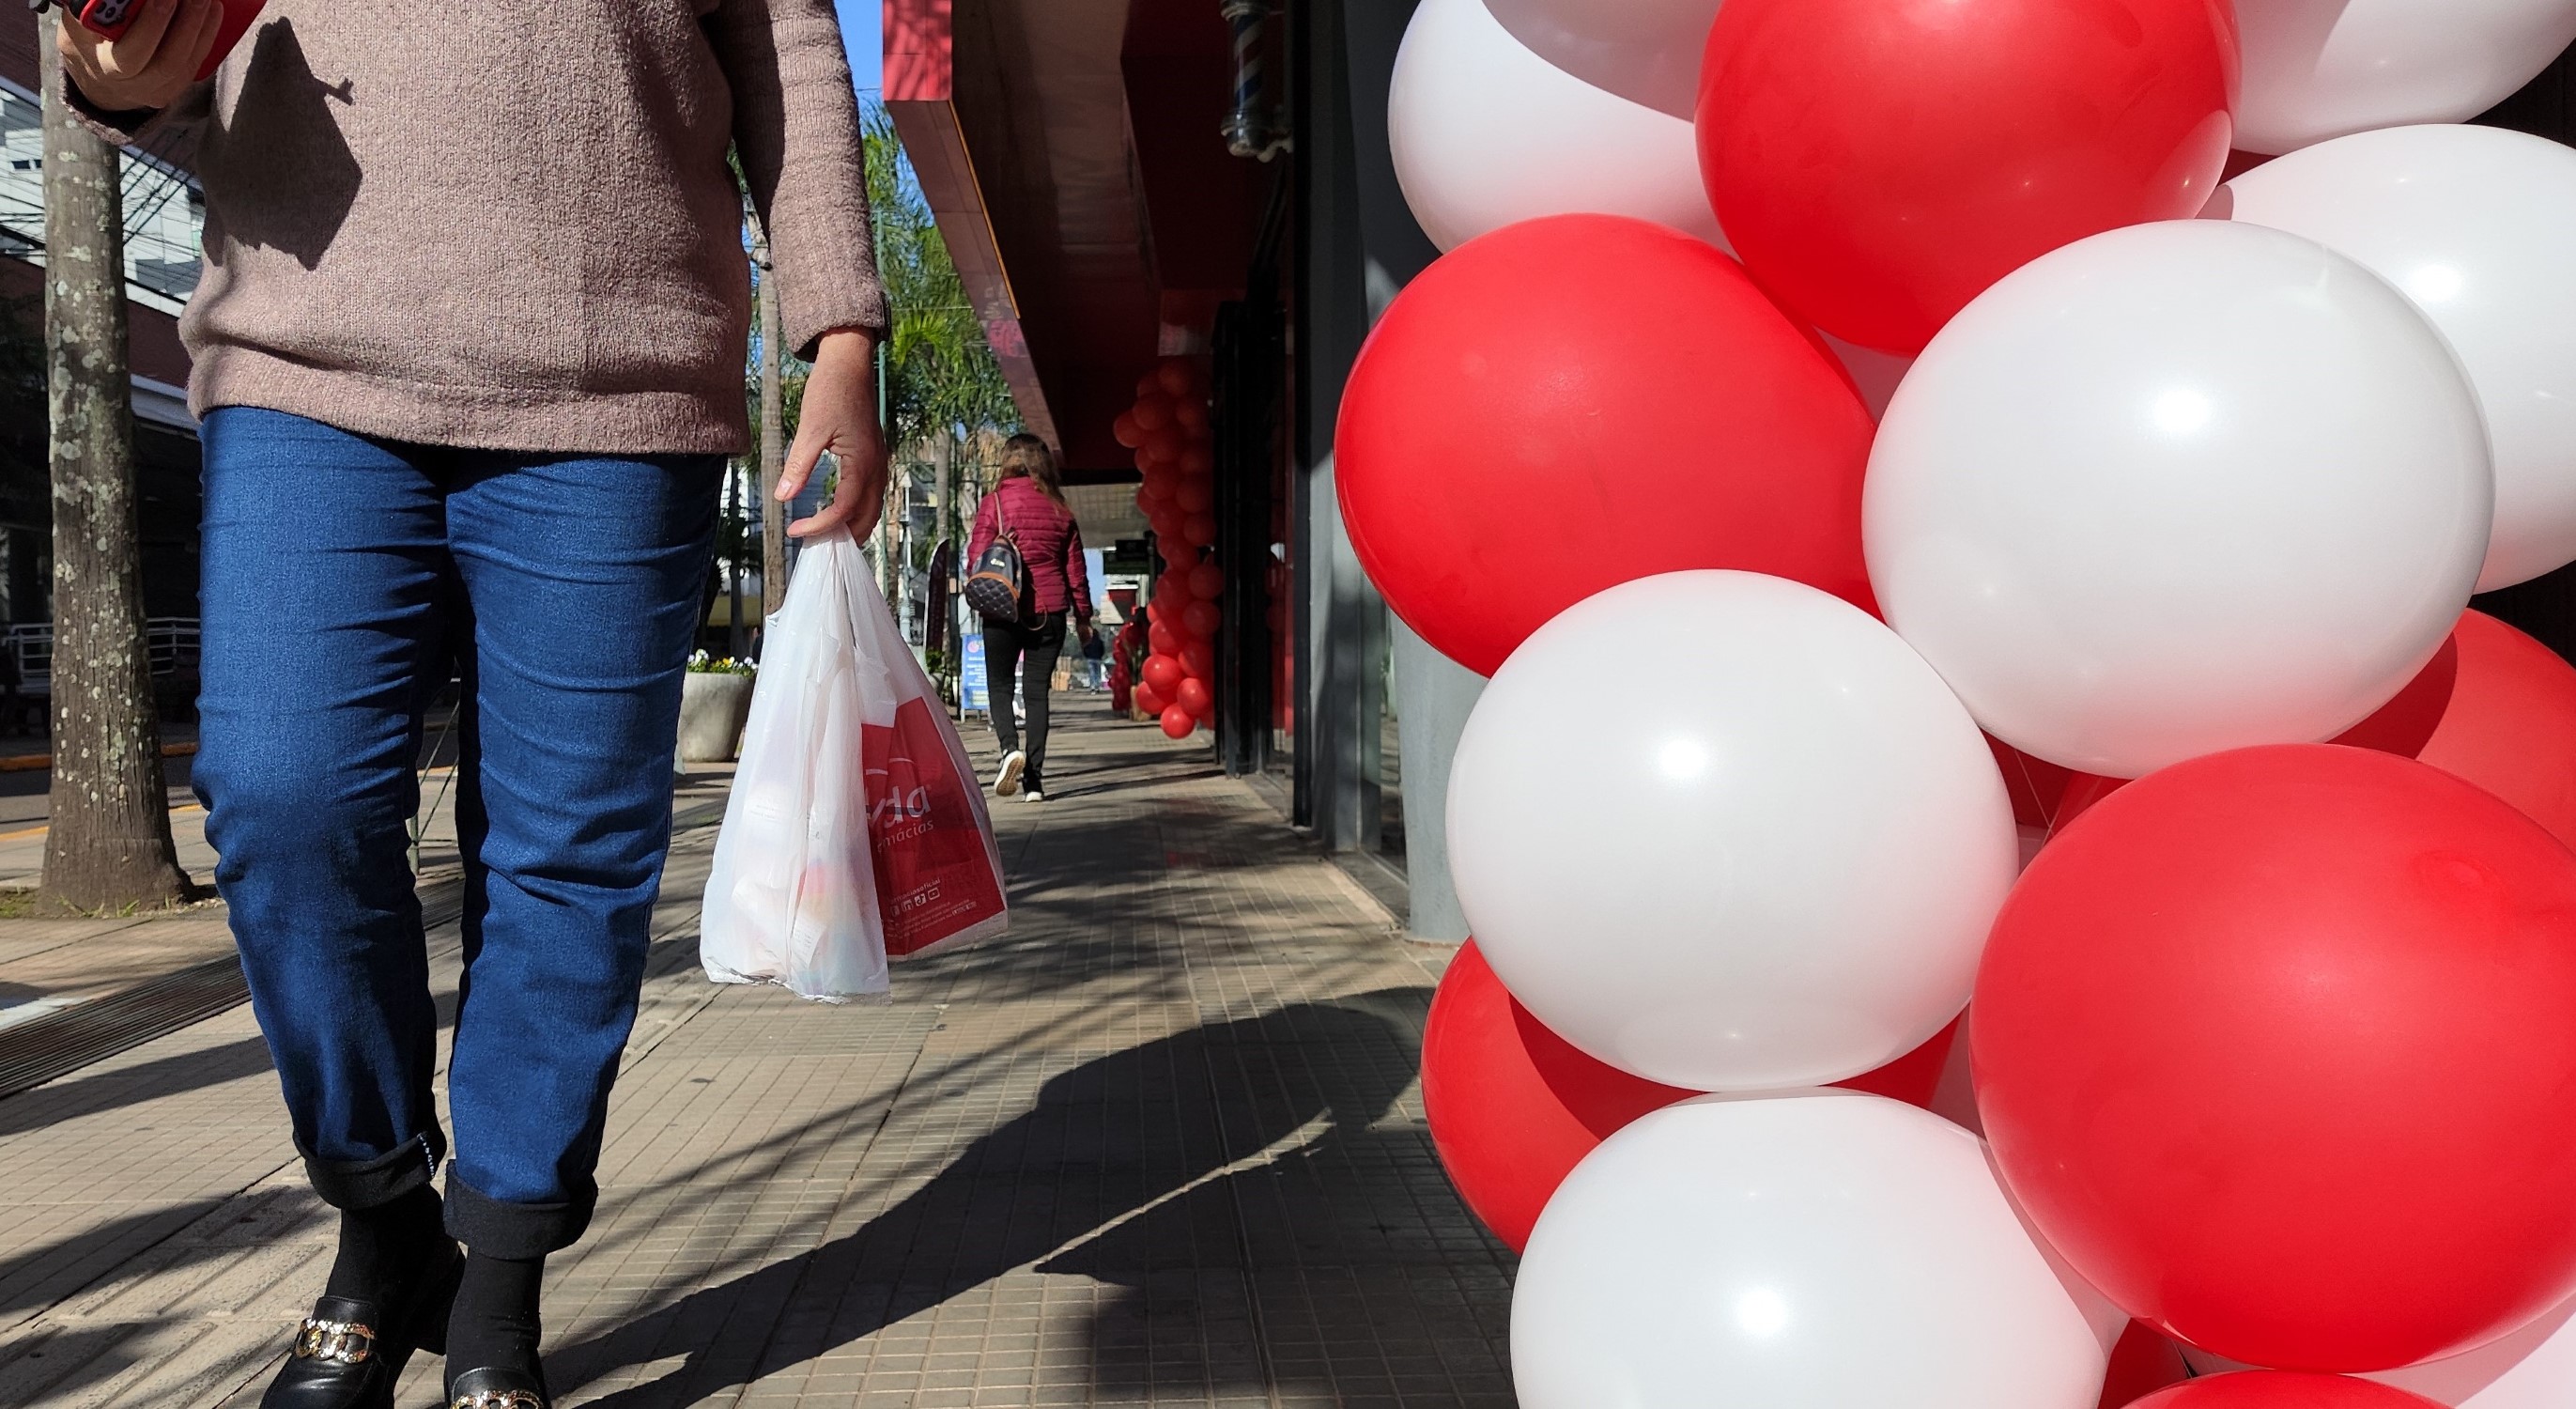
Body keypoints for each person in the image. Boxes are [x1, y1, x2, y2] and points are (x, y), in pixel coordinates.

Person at [53, 5, 889, 1408]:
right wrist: (112, 64)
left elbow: (788, 51)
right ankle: (384, 1222)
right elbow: (167, 68)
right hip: (303, 352)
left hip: (618, 376)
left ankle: (499, 1277)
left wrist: (844, 337)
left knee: (569, 848)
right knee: (281, 799)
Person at [967, 435, 1093, 801]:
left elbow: (976, 558)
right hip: (1050, 610)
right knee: (1037, 694)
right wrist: (1083, 617)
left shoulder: (994, 503)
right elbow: (1076, 572)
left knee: (1000, 686)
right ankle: (1034, 783)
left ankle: (1010, 749)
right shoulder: (1060, 509)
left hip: (1002, 606)